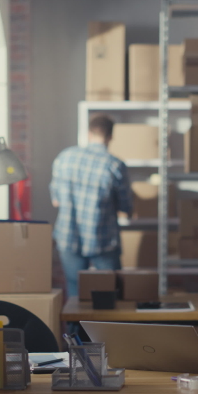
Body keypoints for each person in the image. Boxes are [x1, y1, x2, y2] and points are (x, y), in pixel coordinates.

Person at [49, 114, 132, 298]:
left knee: (74, 294)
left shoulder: (65, 157)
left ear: (88, 133)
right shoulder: (115, 165)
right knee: (111, 293)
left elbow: (56, 200)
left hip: (69, 236)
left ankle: (73, 328)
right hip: (102, 239)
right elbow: (126, 206)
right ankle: (108, 327)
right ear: (110, 136)